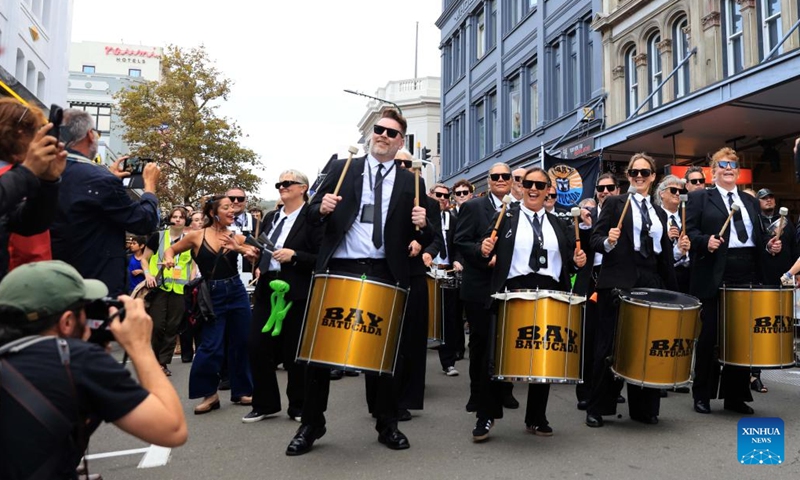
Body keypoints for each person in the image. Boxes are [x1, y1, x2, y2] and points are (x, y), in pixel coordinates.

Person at [285, 109, 431, 455]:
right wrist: (321, 207)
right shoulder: (342, 168)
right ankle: (312, 424)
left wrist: (422, 225)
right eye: (379, 130)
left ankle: (386, 423)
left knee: (382, 354)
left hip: (385, 271)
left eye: (391, 133)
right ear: (371, 135)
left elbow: (427, 234)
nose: (383, 135)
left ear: (400, 142)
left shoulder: (412, 181)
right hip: (340, 267)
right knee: (320, 354)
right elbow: (308, 213)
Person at [0, 261, 187, 479]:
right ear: (67, 322)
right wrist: (140, 346)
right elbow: (172, 429)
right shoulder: (75, 359)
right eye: (85, 310)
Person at [476, 167, 586, 441]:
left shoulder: (559, 222)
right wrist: (484, 249)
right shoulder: (506, 216)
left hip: (550, 291)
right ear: (521, 187)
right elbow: (485, 247)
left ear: (550, 189)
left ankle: (536, 417)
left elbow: (569, 259)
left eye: (540, 184)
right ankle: (485, 416)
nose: (534, 189)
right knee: (496, 357)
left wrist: (577, 261)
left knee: (543, 356)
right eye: (528, 184)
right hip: (514, 291)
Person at [586, 153, 682, 428]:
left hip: (650, 280)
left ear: (653, 177)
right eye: (633, 173)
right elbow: (594, 239)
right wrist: (607, 240)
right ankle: (598, 406)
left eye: (644, 172)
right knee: (609, 345)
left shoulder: (658, 211)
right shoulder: (616, 203)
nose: (638, 177)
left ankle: (644, 408)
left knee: (646, 346)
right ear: (628, 177)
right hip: (619, 280)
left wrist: (673, 292)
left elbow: (663, 256)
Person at [686, 147, 781, 415]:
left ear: (738, 172)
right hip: (716, 272)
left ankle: (735, 397)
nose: (729, 168)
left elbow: (759, 237)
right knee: (710, 336)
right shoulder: (701, 199)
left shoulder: (750, 202)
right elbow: (689, 232)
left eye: (733, 165)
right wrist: (706, 241)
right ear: (713, 171)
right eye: (723, 164)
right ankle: (701, 394)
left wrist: (770, 245)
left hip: (747, 272)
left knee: (740, 337)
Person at [162, 196, 258, 414]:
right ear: (214, 213)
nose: (232, 210)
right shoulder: (196, 236)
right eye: (227, 207)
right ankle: (209, 395)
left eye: (233, 207)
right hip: (212, 295)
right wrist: (168, 259)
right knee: (210, 346)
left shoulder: (236, 236)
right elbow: (171, 250)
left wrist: (243, 249)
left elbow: (256, 256)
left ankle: (242, 391)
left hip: (236, 292)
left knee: (242, 342)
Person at [50, 109, 161, 296]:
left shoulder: (44, 170)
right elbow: (144, 221)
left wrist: (109, 178)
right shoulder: (100, 181)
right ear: (89, 135)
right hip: (94, 286)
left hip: (51, 279)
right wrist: (149, 186)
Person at [245, 170, 321, 423]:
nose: (282, 187)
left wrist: (295, 256)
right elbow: (262, 250)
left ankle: (298, 406)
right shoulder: (271, 217)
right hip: (268, 288)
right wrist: (254, 257)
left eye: (288, 183)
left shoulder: (312, 219)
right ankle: (265, 404)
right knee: (257, 345)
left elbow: (323, 257)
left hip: (296, 290)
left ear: (303, 188)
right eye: (279, 183)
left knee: (293, 351)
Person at [454, 163, 519, 416]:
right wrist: (480, 252)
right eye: (496, 176)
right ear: (488, 181)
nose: (501, 179)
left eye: (506, 176)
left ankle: (505, 390)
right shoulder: (473, 206)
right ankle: (476, 392)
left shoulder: (519, 208)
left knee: (506, 342)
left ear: (512, 180)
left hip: (508, 286)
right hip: (479, 286)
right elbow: (461, 241)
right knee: (481, 343)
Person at [0, 99, 65, 280]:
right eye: (37, 134)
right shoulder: (16, 177)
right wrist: (27, 171)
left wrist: (48, 182)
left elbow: (30, 225)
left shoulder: (15, 177)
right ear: (20, 134)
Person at [573, 173, 618, 410]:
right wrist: (585, 225)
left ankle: (608, 388)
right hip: (592, 281)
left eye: (610, 187)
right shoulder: (587, 215)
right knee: (590, 339)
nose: (605, 191)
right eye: (601, 188)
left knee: (612, 340)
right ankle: (586, 390)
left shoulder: (625, 214)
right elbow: (581, 247)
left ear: (617, 190)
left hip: (616, 283)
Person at [141, 206, 192, 377]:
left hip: (179, 289)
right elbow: (144, 259)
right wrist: (148, 274)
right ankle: (154, 359)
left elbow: (192, 264)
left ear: (186, 221)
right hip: (159, 287)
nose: (177, 219)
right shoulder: (158, 236)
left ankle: (162, 363)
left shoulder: (189, 239)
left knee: (172, 327)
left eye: (181, 217)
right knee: (157, 326)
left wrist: (191, 282)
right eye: (174, 216)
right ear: (169, 219)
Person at [424, 183, 464, 376]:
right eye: (438, 194)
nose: (442, 198)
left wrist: (457, 260)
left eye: (445, 195)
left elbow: (458, 244)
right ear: (429, 195)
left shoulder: (453, 219)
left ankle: (448, 362)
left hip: (446, 272)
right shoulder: (421, 216)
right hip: (426, 272)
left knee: (448, 318)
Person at [654, 176, 692, 294]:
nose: (677, 194)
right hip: (665, 275)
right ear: (662, 194)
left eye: (680, 191)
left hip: (688, 274)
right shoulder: (654, 216)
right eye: (673, 190)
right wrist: (667, 239)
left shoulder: (688, 216)